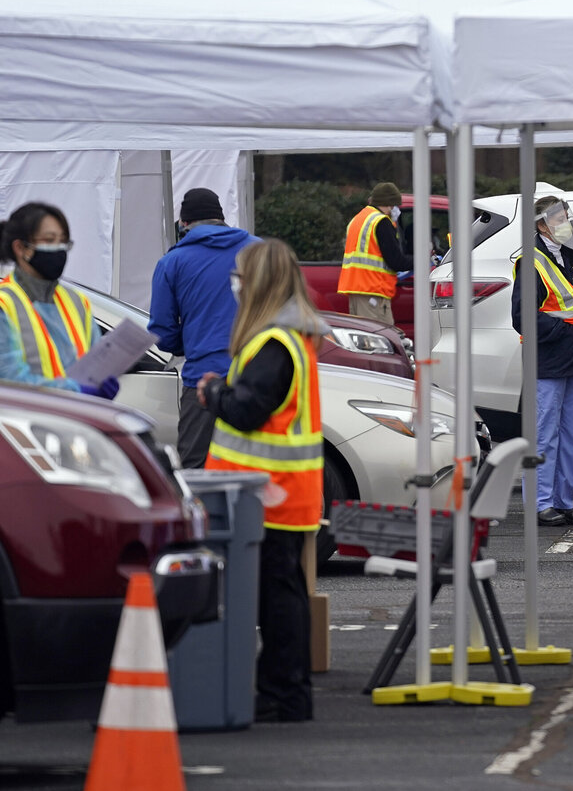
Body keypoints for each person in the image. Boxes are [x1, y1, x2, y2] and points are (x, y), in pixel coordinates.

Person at [198, 238, 327, 723]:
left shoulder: (274, 342)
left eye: (239, 274)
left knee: (277, 599)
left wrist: (213, 392)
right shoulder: (291, 338)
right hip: (281, 491)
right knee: (282, 594)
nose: (235, 282)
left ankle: (284, 692)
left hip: (269, 493)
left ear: (257, 282)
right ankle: (285, 689)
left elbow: (249, 410)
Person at [149, 188, 258, 468]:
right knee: (256, 467)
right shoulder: (260, 251)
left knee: (196, 471)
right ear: (221, 217)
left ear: (184, 223)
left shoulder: (172, 262)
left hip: (202, 380)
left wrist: (191, 341)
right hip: (259, 375)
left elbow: (162, 331)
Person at [512, 196, 573, 527]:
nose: (566, 224)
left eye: (566, 217)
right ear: (542, 224)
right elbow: (523, 317)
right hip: (549, 359)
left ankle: (562, 501)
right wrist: (563, 330)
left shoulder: (564, 259)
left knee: (572, 435)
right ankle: (540, 503)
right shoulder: (531, 262)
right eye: (560, 219)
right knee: (544, 435)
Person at [0, 202, 118, 400]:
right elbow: (9, 381)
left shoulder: (77, 301)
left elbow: (94, 361)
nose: (59, 249)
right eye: (49, 240)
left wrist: (101, 383)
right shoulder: (4, 304)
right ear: (21, 248)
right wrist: (75, 391)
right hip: (25, 425)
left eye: (63, 241)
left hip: (76, 423)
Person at [337, 181, 412, 326]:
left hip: (357, 292)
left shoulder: (358, 219)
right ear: (389, 204)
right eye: (395, 205)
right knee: (382, 340)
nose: (396, 209)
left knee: (363, 341)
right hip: (373, 292)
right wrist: (422, 259)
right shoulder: (381, 222)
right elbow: (396, 261)